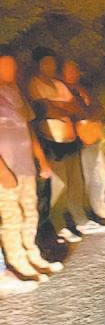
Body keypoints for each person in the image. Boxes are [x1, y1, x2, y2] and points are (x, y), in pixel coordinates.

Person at [27, 47, 105, 243]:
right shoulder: (35, 84)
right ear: (38, 65)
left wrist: (60, 107)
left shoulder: (59, 84)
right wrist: (61, 107)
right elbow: (46, 110)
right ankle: (59, 225)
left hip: (70, 140)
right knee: (59, 186)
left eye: (52, 62)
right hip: (52, 142)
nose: (51, 66)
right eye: (46, 63)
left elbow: (76, 107)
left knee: (75, 182)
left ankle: (80, 220)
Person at [0, 52, 62, 283]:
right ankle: (17, 260)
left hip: (25, 165)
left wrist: (41, 160)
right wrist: (2, 171)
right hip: (6, 170)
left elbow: (28, 129)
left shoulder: (15, 93)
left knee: (31, 212)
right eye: (5, 67)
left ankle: (32, 254)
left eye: (13, 66)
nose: (11, 71)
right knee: (12, 216)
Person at [63, 60, 105, 222]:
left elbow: (97, 108)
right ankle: (97, 209)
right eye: (69, 70)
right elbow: (75, 112)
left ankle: (100, 207)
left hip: (92, 136)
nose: (73, 74)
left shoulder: (82, 89)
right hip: (81, 139)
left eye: (75, 70)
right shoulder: (64, 91)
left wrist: (93, 116)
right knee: (91, 176)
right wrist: (87, 117)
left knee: (100, 174)